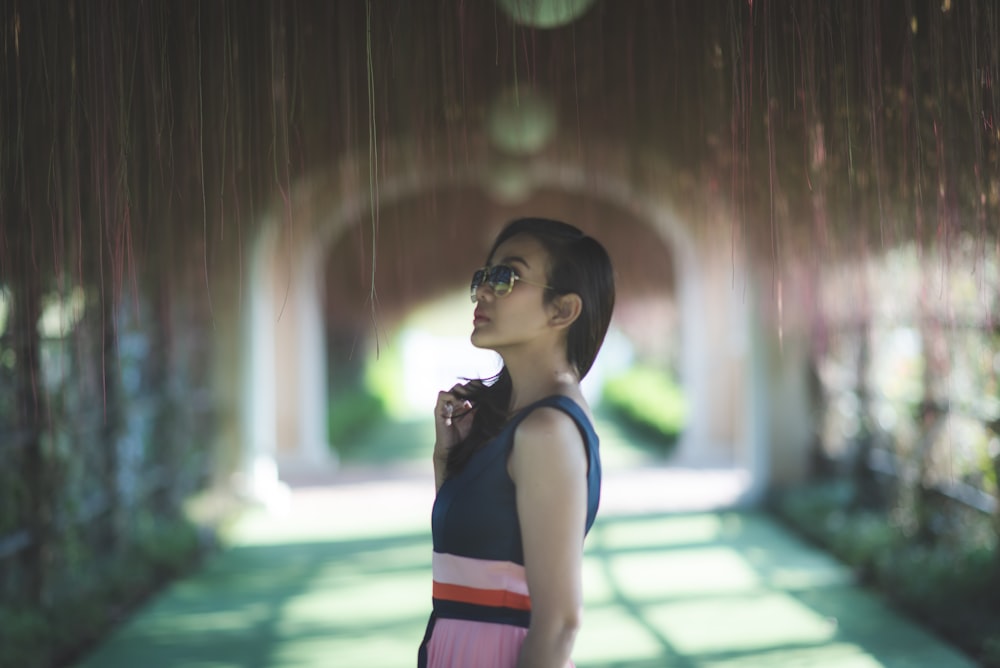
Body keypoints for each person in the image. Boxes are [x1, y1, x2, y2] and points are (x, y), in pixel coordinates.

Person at [418, 217, 615, 668]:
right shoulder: (519, 424)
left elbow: (560, 622)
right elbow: (473, 562)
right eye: (484, 276)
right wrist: (447, 461)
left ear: (562, 311)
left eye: (507, 276)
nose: (484, 290)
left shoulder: (547, 431)